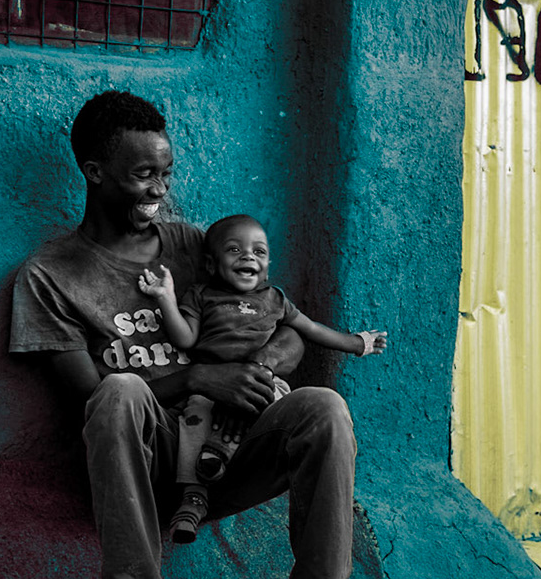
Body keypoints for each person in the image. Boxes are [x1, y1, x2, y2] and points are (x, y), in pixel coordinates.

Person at [9, 90, 391, 579]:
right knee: (121, 389)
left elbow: (285, 323)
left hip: (231, 453)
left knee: (323, 407)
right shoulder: (49, 276)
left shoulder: (197, 245)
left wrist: (262, 370)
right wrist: (200, 375)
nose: (158, 190)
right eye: (142, 175)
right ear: (94, 172)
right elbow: (89, 395)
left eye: (165, 173)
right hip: (143, 462)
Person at [136, 213, 389, 544]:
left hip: (266, 387)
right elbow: (185, 338)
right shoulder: (201, 295)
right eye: (234, 250)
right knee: (193, 420)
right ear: (212, 265)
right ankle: (193, 497)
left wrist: (358, 343)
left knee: (283, 416)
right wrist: (166, 296)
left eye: (258, 252)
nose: (247, 257)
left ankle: (223, 453)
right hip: (214, 391)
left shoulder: (276, 300)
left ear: (268, 265)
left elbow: (312, 330)